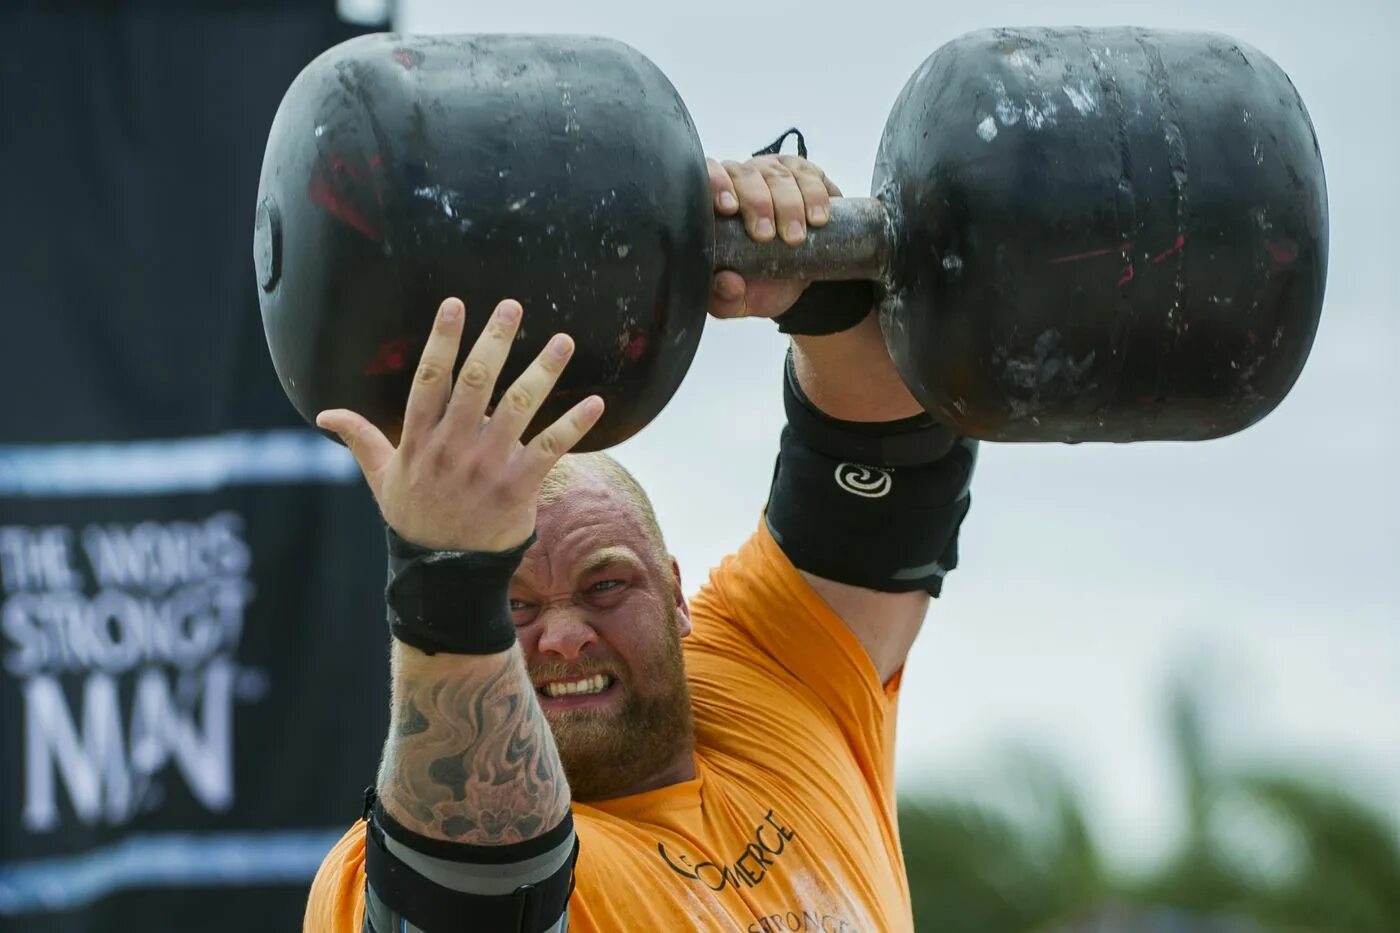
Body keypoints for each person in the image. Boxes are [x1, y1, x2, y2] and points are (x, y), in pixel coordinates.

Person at [305, 154, 978, 932]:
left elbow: (900, 445)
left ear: (678, 595)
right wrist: (447, 575)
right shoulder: (381, 873)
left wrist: (814, 275)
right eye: (512, 606)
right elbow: (470, 895)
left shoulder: (774, 674)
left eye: (605, 585)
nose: (561, 637)